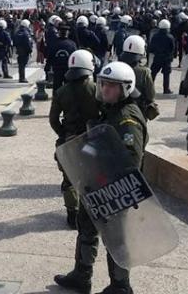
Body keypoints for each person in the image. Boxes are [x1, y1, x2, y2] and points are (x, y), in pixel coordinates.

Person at [54, 61, 146, 294]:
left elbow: (129, 161)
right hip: (95, 184)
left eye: (112, 86)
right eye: (103, 84)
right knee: (85, 228)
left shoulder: (127, 119)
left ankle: (120, 286)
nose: (105, 90)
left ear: (125, 88)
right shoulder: (110, 111)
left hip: (114, 188)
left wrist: (93, 151)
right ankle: (81, 276)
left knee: (115, 240)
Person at [48, 50, 100, 229]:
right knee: (93, 177)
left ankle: (72, 214)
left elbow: (53, 119)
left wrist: (63, 134)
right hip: (92, 140)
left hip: (69, 140)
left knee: (69, 179)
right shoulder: (96, 89)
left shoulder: (61, 91)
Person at [119, 35, 157, 120]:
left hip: (116, 111)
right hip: (137, 111)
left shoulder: (116, 67)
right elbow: (151, 95)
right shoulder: (144, 72)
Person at [148, 19, 175, 94]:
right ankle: (166, 89)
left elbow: (151, 48)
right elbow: (173, 48)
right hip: (167, 58)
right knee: (166, 75)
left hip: (157, 57)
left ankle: (149, 88)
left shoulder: (155, 36)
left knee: (153, 73)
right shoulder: (170, 37)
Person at [48, 25, 77, 91]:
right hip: (68, 69)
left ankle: (56, 100)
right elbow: (75, 57)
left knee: (57, 87)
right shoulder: (72, 44)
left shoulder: (54, 43)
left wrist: (48, 66)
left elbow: (50, 55)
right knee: (68, 88)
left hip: (57, 69)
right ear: (67, 33)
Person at [14, 19, 34, 83]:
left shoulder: (17, 32)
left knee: (21, 65)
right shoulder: (26, 33)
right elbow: (28, 43)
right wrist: (30, 50)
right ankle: (22, 78)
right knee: (23, 65)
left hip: (19, 50)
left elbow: (14, 41)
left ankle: (21, 77)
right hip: (25, 51)